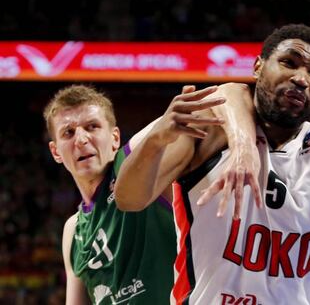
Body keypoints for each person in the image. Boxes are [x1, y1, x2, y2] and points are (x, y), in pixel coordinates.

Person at [114, 23, 310, 304]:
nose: (301, 78)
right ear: (258, 66)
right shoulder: (208, 130)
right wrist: (155, 140)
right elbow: (129, 199)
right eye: (289, 62)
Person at [43, 84, 258, 304]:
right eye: (68, 133)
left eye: (92, 127)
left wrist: (243, 147)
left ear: (115, 138)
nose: (81, 139)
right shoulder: (73, 230)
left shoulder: (135, 159)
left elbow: (228, 92)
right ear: (56, 151)